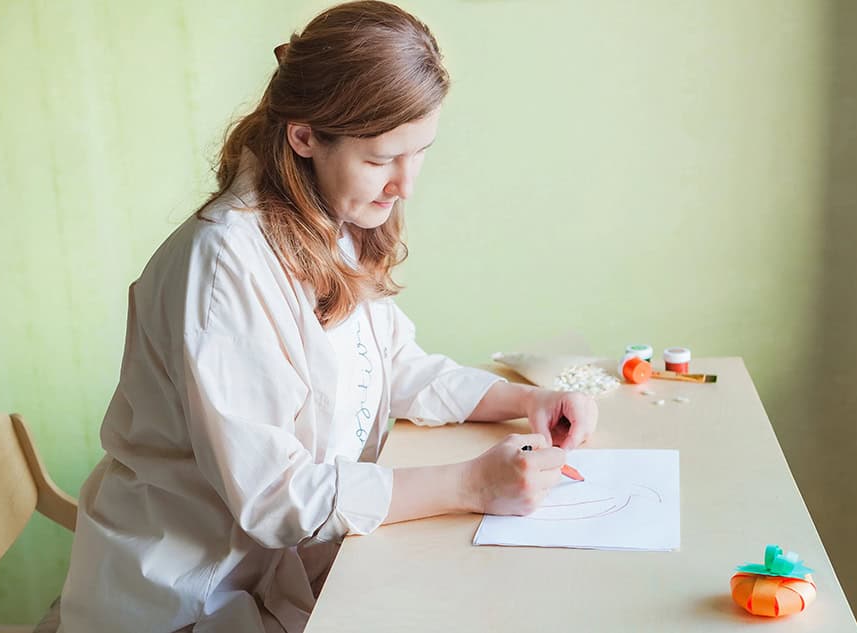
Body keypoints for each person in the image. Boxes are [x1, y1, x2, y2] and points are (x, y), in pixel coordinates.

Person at [57, 2, 598, 632]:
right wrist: (471, 484)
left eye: (418, 152)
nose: (405, 184)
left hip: (284, 575)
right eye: (380, 159)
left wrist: (522, 400)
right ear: (306, 136)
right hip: (189, 601)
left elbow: (394, 365)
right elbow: (274, 497)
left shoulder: (330, 220)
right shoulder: (223, 262)